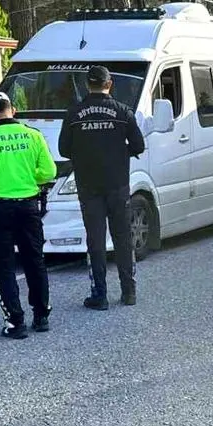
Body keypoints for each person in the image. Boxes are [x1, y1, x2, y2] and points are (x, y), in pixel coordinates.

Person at [0, 91, 58, 338]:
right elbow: (49, 172)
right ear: (12, 110)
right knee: (35, 261)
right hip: (29, 207)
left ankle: (15, 323)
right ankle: (41, 316)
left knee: (3, 266)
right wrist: (28, 177)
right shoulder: (33, 135)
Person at [59, 65, 146, 310]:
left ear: (88, 85)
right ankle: (129, 292)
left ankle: (100, 295)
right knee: (123, 238)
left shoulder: (74, 113)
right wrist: (119, 152)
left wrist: (85, 153)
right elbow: (139, 146)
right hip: (118, 184)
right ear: (110, 84)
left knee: (95, 241)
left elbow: (64, 149)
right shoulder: (123, 111)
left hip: (88, 185)